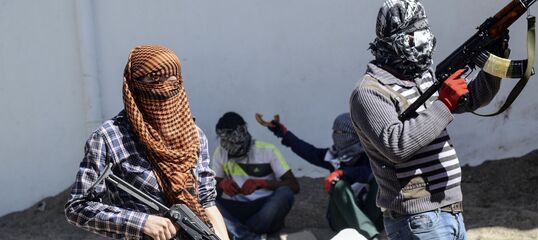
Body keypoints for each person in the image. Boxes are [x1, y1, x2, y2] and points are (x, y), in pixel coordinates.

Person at [349, 0, 510, 239]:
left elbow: (474, 98)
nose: (424, 45)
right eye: (414, 38)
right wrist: (443, 103)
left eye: (425, 35)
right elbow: (396, 145)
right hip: (418, 220)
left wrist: (494, 59)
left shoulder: (422, 77)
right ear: (392, 43)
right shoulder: (370, 91)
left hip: (451, 211)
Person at [64, 45, 229, 240]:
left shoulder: (194, 135)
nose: (165, 87)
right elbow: (78, 206)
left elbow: (206, 201)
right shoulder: (109, 137)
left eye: (172, 79)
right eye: (153, 79)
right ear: (134, 86)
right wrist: (140, 223)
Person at [264, 113, 383, 239]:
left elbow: (368, 171)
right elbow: (307, 151)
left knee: (379, 178)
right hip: (342, 220)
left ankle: (370, 230)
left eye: (342, 132)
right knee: (338, 185)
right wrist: (282, 132)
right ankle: (371, 236)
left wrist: (342, 172)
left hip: (372, 217)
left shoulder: (370, 156)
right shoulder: (333, 156)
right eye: (335, 132)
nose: (337, 136)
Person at [212, 112, 299, 240]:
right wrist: (221, 184)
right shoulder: (221, 152)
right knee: (206, 202)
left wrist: (261, 184)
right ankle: (248, 236)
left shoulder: (268, 150)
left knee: (285, 193)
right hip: (237, 207)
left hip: (263, 207)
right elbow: (213, 193)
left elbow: (294, 185)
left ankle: (236, 231)